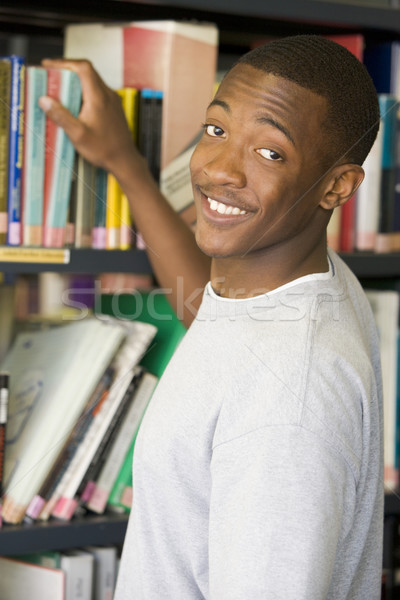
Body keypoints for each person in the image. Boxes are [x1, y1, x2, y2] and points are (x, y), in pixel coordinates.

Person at [40, 35, 384, 599]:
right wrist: (125, 162)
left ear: (337, 186)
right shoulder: (303, 282)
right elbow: (211, 311)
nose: (219, 169)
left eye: (269, 152)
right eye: (217, 130)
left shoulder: (287, 402)